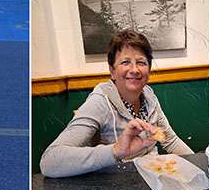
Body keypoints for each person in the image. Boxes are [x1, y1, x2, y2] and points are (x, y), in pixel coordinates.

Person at [40, 29, 192, 178]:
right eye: (125, 62)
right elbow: (49, 161)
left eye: (141, 62)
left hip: (153, 178)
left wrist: (197, 164)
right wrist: (116, 150)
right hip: (115, 186)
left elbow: (169, 140)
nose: (134, 70)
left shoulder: (149, 96)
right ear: (112, 71)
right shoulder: (99, 102)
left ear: (149, 69)